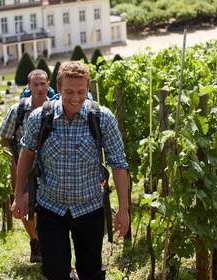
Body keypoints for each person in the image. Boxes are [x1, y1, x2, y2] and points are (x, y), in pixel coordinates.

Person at [11, 61, 130, 280]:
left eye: (81, 92)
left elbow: (119, 164)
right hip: (50, 208)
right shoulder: (40, 118)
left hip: (90, 207)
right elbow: (26, 155)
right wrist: (19, 196)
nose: (75, 97)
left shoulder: (102, 118)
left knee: (91, 272)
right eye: (68, 92)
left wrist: (123, 208)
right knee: (54, 271)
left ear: (88, 90)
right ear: (58, 88)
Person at [0, 69, 50, 263]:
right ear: (29, 87)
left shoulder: (55, 109)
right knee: (26, 207)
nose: (39, 88)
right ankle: (35, 240)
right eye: (35, 84)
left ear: (48, 85)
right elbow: (4, 139)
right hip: (24, 168)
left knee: (49, 208)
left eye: (42, 83)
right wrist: (12, 165)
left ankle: (46, 242)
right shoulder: (18, 110)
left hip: (50, 168)